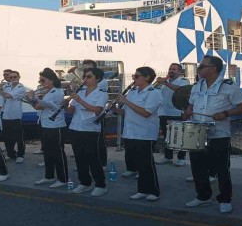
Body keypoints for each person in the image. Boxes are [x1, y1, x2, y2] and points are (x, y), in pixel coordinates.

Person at [183, 56, 242, 214]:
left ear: (213, 69)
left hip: (219, 133)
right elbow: (191, 106)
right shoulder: (197, 86)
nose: (198, 69)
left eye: (202, 66)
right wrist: (188, 112)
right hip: (197, 132)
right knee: (197, 166)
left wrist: (226, 113)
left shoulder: (229, 86)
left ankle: (225, 199)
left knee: (221, 168)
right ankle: (203, 196)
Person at [113, 66, 163, 201]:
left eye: (137, 76)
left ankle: (154, 191)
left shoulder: (154, 93)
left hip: (144, 133)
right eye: (134, 76)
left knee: (146, 163)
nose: (134, 79)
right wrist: (114, 108)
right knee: (138, 164)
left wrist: (126, 102)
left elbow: (146, 113)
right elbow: (126, 112)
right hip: (130, 132)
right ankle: (142, 190)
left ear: (147, 78)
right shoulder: (132, 92)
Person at [67, 67, 109, 197]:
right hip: (75, 127)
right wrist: (67, 103)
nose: (85, 79)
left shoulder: (102, 93)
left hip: (90, 129)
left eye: (89, 77)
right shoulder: (80, 91)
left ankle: (100, 185)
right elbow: (71, 110)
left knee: (92, 157)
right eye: (84, 76)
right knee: (79, 157)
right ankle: (84, 183)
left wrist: (80, 101)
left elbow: (97, 110)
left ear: (97, 78)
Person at [32, 68, 69, 188]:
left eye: (43, 80)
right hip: (46, 124)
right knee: (47, 153)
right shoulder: (48, 92)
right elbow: (38, 106)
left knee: (58, 153)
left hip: (55, 126)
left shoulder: (57, 92)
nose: (41, 83)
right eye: (40, 80)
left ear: (51, 80)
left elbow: (42, 105)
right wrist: (32, 99)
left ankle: (63, 178)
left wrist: (34, 98)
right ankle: (49, 176)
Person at [155, 63, 191, 166]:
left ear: (179, 72)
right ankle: (168, 157)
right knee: (167, 136)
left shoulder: (183, 81)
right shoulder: (164, 82)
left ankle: (181, 157)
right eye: (170, 69)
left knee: (179, 136)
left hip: (177, 112)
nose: (171, 71)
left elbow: (180, 91)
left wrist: (165, 82)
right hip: (163, 112)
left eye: (174, 69)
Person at [81, 59, 108, 168]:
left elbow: (94, 93)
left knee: (99, 140)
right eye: (84, 69)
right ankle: (86, 162)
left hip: (96, 114)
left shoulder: (102, 82)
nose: (85, 71)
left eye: (88, 68)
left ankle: (102, 162)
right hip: (83, 116)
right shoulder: (84, 81)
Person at [1, 70, 27, 163]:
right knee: (7, 137)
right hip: (6, 114)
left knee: (19, 137)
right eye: (10, 77)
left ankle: (20, 155)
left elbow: (7, 96)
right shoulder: (7, 86)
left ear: (19, 77)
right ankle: (10, 154)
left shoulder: (21, 87)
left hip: (16, 115)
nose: (12, 79)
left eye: (15, 77)